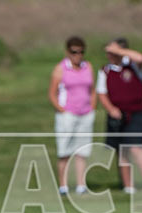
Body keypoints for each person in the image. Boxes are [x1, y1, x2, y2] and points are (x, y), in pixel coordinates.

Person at [96, 37, 142, 193]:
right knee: (122, 150)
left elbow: (140, 57)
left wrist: (118, 50)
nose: (109, 54)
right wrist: (111, 109)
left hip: (137, 112)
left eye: (113, 51)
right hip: (118, 115)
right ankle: (128, 186)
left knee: (136, 147)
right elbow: (102, 93)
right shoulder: (106, 70)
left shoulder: (133, 66)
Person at [48, 36, 96, 195]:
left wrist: (92, 107)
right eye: (74, 52)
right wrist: (63, 110)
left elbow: (92, 90)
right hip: (67, 115)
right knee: (65, 151)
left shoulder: (87, 66)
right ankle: (63, 186)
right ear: (67, 52)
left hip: (85, 114)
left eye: (81, 52)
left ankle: (81, 185)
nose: (78, 55)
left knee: (82, 151)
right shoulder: (60, 69)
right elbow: (52, 94)